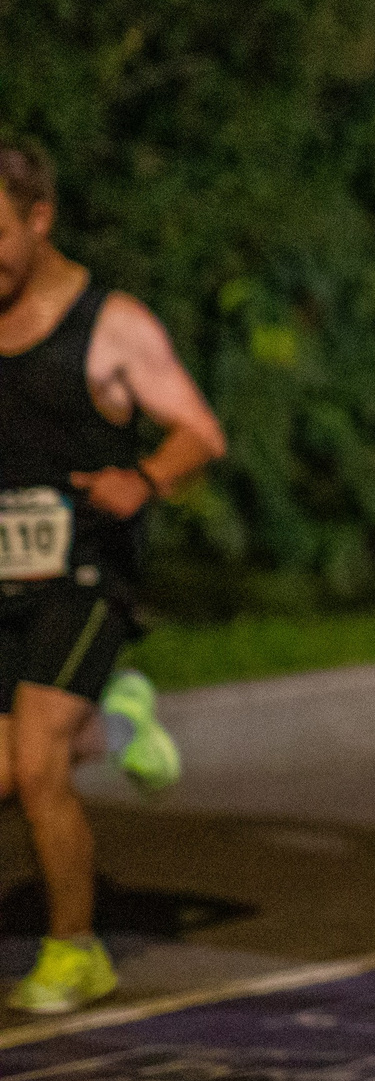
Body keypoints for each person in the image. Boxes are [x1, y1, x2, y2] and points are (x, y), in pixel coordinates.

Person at [0, 139, 226, 1013]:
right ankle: (116, 713)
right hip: (8, 582)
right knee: (12, 773)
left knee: (38, 760)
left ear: (39, 218)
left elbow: (199, 432)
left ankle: (74, 948)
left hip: (87, 573)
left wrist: (147, 479)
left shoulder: (110, 322)